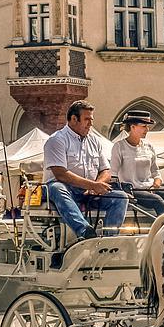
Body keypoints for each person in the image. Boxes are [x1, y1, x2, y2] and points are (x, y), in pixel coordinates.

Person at [43, 100, 128, 239]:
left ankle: (110, 239)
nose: (90, 124)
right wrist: (92, 185)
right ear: (73, 119)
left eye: (91, 119)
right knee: (56, 188)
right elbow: (61, 174)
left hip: (89, 190)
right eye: (87, 119)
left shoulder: (94, 141)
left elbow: (106, 170)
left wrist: (97, 185)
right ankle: (85, 231)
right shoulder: (57, 140)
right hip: (66, 188)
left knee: (120, 197)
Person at [111, 109, 164, 217]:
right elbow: (113, 174)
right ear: (132, 127)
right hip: (132, 190)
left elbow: (155, 171)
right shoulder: (119, 147)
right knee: (157, 200)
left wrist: (157, 182)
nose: (147, 129)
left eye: (147, 127)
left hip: (150, 188)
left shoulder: (149, 146)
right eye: (144, 126)